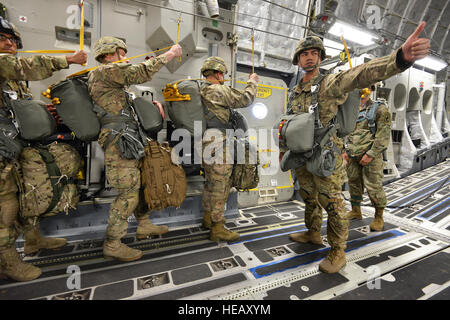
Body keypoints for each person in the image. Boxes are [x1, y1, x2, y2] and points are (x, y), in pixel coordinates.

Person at [285, 22, 430, 273]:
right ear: (298, 60)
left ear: (320, 57)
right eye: (304, 54)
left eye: (313, 53)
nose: (309, 58)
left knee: (332, 203)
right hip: (301, 154)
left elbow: (361, 73)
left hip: (325, 155)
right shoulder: (295, 91)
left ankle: (338, 251)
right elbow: (288, 121)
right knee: (308, 197)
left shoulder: (330, 82)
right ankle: (312, 233)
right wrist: (283, 147)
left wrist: (399, 58)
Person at [0, 16, 87, 281]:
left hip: (13, 144)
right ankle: (8, 262)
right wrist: (68, 60)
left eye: (12, 40)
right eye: (2, 39)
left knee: (27, 192)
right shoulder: (6, 65)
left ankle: (33, 240)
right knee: (6, 207)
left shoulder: (11, 79)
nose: (8, 44)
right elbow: (29, 66)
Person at [88, 36, 182, 262]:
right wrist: (169, 55)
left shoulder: (112, 79)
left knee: (143, 185)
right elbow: (140, 72)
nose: (125, 56)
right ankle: (113, 243)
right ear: (111, 53)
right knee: (128, 193)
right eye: (122, 52)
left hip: (129, 138)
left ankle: (144, 224)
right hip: (119, 141)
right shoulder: (105, 71)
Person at [200, 56, 259, 242]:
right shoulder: (218, 90)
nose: (224, 77)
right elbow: (245, 99)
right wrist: (252, 82)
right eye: (223, 74)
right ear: (218, 73)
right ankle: (217, 228)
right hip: (219, 143)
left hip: (206, 142)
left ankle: (208, 218)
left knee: (210, 182)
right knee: (221, 185)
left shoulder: (202, 90)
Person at [344, 86, 391, 231]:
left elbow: (383, 137)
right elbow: (344, 131)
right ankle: (356, 211)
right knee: (354, 183)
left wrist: (370, 155)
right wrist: (345, 150)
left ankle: (378, 217)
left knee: (374, 186)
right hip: (353, 155)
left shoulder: (380, 109)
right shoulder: (349, 109)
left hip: (371, 156)